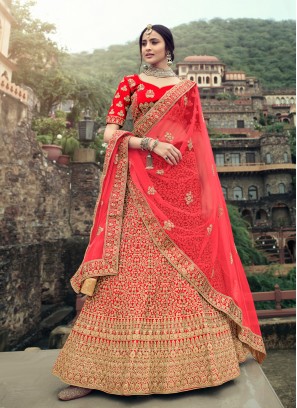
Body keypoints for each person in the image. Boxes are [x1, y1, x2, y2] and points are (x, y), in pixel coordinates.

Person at [53, 24, 266, 401]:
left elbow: (196, 140)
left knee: (185, 273)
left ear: (169, 46)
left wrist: (203, 194)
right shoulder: (131, 83)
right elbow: (109, 132)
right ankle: (92, 371)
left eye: (153, 41)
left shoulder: (188, 88)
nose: (146, 46)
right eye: (143, 42)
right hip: (140, 180)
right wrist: (146, 141)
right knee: (127, 271)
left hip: (181, 187)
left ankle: (206, 362)